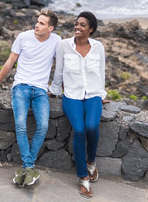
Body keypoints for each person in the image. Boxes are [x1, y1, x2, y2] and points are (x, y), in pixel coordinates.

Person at [0, 9, 61, 187]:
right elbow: (9, 62)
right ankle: (28, 166)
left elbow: (62, 67)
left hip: (40, 90)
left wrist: (59, 89)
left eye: (41, 23)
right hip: (21, 87)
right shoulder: (23, 37)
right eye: (37, 21)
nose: (36, 25)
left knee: (44, 125)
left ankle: (27, 168)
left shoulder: (57, 41)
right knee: (20, 124)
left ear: (51, 28)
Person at [50, 11, 106, 199]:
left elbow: (101, 72)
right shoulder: (64, 46)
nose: (77, 27)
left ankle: (91, 162)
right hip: (71, 96)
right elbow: (58, 72)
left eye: (82, 25)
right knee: (79, 130)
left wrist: (101, 94)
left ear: (90, 29)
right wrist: (54, 90)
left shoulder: (98, 47)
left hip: (93, 95)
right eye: (76, 23)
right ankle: (83, 177)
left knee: (92, 126)